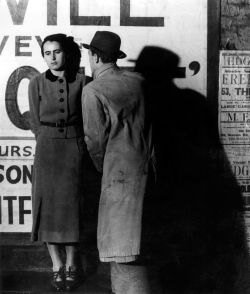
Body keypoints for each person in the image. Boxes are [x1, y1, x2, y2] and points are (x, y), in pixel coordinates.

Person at [81, 31, 156, 294]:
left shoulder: (94, 90)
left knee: (122, 252)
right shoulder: (139, 82)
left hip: (118, 177)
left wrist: (104, 170)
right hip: (149, 175)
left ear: (95, 56)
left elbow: (94, 140)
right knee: (140, 251)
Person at [28, 33, 89, 291]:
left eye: (57, 52)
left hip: (74, 149)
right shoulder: (36, 83)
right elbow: (34, 120)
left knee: (72, 208)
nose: (52, 57)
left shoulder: (84, 82)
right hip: (48, 151)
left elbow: (89, 118)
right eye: (47, 53)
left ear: (67, 53)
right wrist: (47, 137)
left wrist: (77, 142)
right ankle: (56, 265)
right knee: (49, 209)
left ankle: (73, 264)